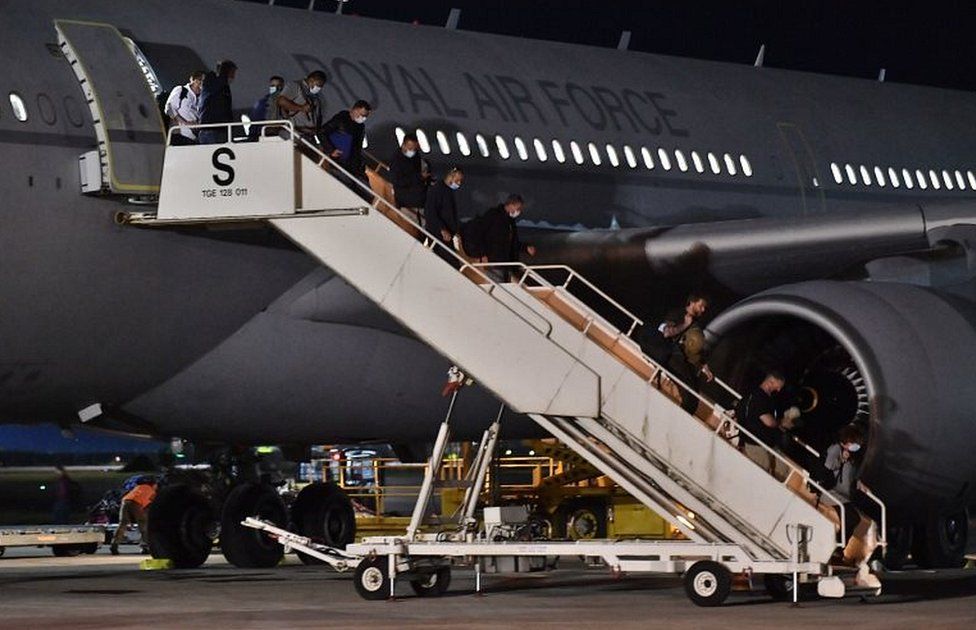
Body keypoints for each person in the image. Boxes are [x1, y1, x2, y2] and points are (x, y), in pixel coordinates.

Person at [640, 293, 714, 414]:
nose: (703, 309)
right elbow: (666, 333)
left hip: (678, 356)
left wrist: (703, 364)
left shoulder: (694, 323)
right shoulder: (678, 314)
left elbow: (691, 346)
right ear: (692, 302)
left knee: (694, 390)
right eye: (701, 306)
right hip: (668, 354)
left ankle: (684, 413)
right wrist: (685, 324)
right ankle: (682, 414)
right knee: (689, 391)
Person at [462, 194, 537, 280]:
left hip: (505, 264)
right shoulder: (493, 215)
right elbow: (478, 234)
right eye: (518, 208)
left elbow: (511, 243)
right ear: (511, 205)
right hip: (493, 262)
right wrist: (481, 254)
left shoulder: (510, 222)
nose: (519, 211)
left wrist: (525, 248)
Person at [735, 370, 787, 476]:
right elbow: (768, 421)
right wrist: (780, 422)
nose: (779, 389)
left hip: (765, 442)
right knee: (763, 468)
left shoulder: (758, 396)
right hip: (755, 441)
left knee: (782, 468)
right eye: (778, 386)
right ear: (771, 381)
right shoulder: (759, 397)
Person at [321, 100, 373, 187]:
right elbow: (322, 132)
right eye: (363, 115)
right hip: (338, 161)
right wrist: (331, 150)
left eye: (366, 116)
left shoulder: (360, 127)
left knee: (364, 187)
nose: (363, 118)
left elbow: (357, 147)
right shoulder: (341, 118)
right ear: (355, 110)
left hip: (353, 164)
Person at [388, 133, 430, 226]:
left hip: (419, 201)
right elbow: (397, 181)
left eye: (414, 149)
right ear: (403, 145)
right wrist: (419, 177)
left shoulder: (416, 156)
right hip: (406, 203)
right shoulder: (396, 160)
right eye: (410, 148)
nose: (412, 151)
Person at [425, 167, 465, 261]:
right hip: (439, 234)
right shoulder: (437, 190)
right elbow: (430, 212)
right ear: (450, 177)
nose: (459, 183)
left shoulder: (448, 191)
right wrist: (442, 229)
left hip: (447, 235)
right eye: (457, 180)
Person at [274, 70, 326, 141]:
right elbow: (281, 101)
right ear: (311, 80)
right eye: (318, 85)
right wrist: (301, 108)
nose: (319, 88)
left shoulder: (313, 95)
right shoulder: (296, 86)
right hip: (294, 133)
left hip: (309, 135)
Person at [110, 477, 157, 554]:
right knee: (143, 525)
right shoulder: (152, 491)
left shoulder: (138, 487)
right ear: (153, 485)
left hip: (125, 501)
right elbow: (148, 507)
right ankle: (146, 546)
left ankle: (114, 544)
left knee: (123, 523)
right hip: (137, 503)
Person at [197, 59, 237, 144]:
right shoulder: (213, 82)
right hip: (213, 129)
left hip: (218, 129)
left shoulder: (220, 85)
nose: (233, 77)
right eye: (232, 73)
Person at [164, 71, 204, 145]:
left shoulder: (200, 99)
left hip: (193, 138)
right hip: (180, 136)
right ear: (195, 80)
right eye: (200, 81)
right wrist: (185, 123)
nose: (201, 85)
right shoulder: (181, 90)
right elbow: (169, 108)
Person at [248, 75, 285, 140]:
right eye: (272, 86)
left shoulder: (288, 102)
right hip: (263, 134)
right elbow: (254, 120)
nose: (276, 88)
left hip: (280, 133)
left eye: (278, 86)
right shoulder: (262, 103)